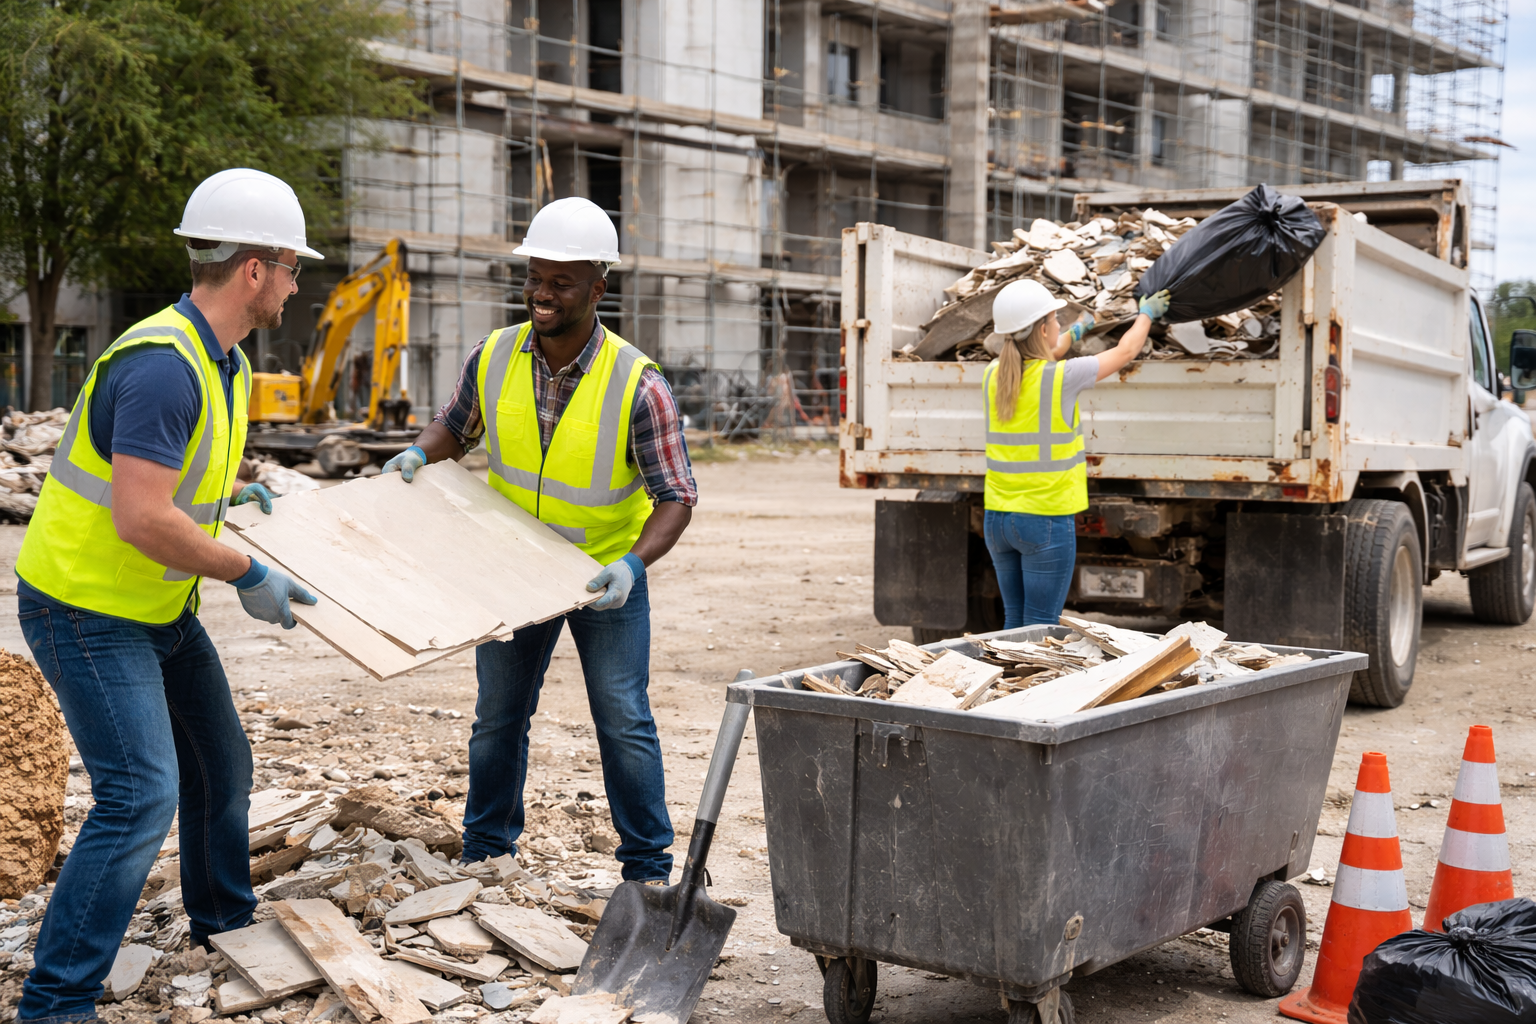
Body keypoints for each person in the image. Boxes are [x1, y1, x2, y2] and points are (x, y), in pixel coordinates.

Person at [12, 168, 321, 1024]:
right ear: (254, 269)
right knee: (139, 793)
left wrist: (238, 488)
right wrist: (248, 572)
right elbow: (144, 517)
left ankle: (223, 921)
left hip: (154, 608)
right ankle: (56, 1003)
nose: (298, 284)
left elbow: (175, 476)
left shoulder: (219, 357)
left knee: (222, 766)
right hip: (84, 610)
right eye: (293, 268)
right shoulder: (161, 366)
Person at [381, 196, 696, 883]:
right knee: (498, 718)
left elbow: (677, 496)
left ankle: (647, 868)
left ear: (597, 288)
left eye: (561, 282)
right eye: (535, 277)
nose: (542, 294)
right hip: (514, 571)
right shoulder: (493, 355)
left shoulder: (638, 383)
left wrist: (632, 566)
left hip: (599, 577)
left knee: (622, 719)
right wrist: (419, 452)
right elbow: (455, 427)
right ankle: (486, 852)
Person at [981, 279, 1171, 628]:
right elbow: (1126, 352)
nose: (1059, 326)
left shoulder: (994, 373)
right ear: (1041, 329)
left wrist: (1078, 330)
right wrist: (1146, 316)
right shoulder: (1062, 377)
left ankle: (1010, 683)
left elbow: (1038, 356)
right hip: (1044, 520)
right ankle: (1034, 684)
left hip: (997, 520)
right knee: (1041, 627)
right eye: (1055, 320)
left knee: (1014, 625)